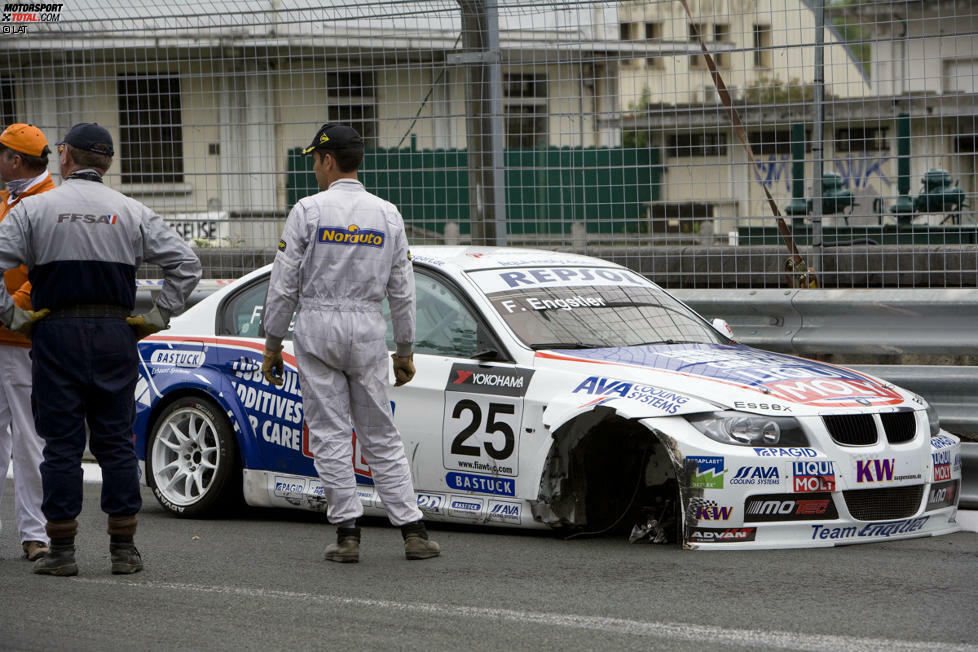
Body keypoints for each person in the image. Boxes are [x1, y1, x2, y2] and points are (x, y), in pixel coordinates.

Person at [0, 122, 202, 576]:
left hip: (56, 334)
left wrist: (11, 317)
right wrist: (156, 316)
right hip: (115, 334)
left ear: (66, 157)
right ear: (107, 161)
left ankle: (62, 550)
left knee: (61, 445)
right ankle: (123, 549)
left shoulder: (35, 209)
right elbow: (187, 265)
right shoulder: (130, 210)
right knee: (114, 442)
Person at [261, 122, 439, 563]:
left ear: (327, 160)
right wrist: (405, 349)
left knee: (330, 433)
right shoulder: (388, 213)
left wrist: (271, 342)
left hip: (318, 327)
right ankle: (413, 531)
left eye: (315, 163)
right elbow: (403, 287)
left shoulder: (308, 210)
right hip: (367, 330)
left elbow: (284, 284)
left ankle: (347, 535)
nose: (315, 172)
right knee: (380, 431)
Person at [0, 124, 55, 563]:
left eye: (2, 154)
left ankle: (35, 534)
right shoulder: (7, 198)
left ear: (16, 160)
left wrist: (13, 311)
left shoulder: (48, 204)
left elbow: (47, 271)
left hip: (22, 340)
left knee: (29, 440)